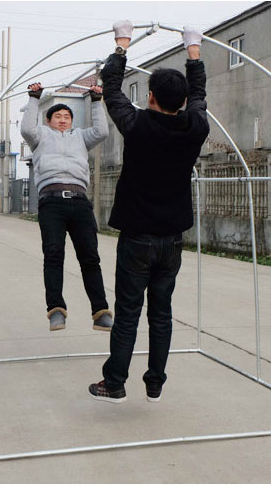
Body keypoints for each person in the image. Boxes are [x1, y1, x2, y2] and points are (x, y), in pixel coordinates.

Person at [88, 21, 209, 403]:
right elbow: (201, 96)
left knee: (127, 311)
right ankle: (155, 380)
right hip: (172, 238)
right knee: (161, 312)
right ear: (182, 101)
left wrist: (121, 47)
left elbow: (110, 89)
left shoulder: (138, 125)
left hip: (138, 237)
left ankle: (116, 381)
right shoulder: (195, 128)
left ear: (152, 96)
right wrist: (195, 53)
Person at [20, 81, 113, 332]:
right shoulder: (39, 137)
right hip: (51, 203)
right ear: (48, 120)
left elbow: (102, 131)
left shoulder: (81, 137)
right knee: (53, 255)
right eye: (58, 116)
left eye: (67, 116)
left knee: (90, 258)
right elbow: (27, 127)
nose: (63, 120)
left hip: (80, 202)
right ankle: (56, 310)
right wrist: (34, 98)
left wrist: (96, 101)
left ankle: (100, 311)